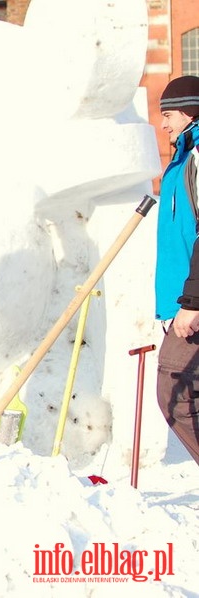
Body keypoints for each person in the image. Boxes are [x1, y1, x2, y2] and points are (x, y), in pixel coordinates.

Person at [153, 75, 199, 466]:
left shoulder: (198, 156)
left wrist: (192, 302)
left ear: (189, 112)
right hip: (184, 303)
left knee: (174, 393)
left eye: (168, 114)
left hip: (194, 306)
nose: (163, 124)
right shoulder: (184, 157)